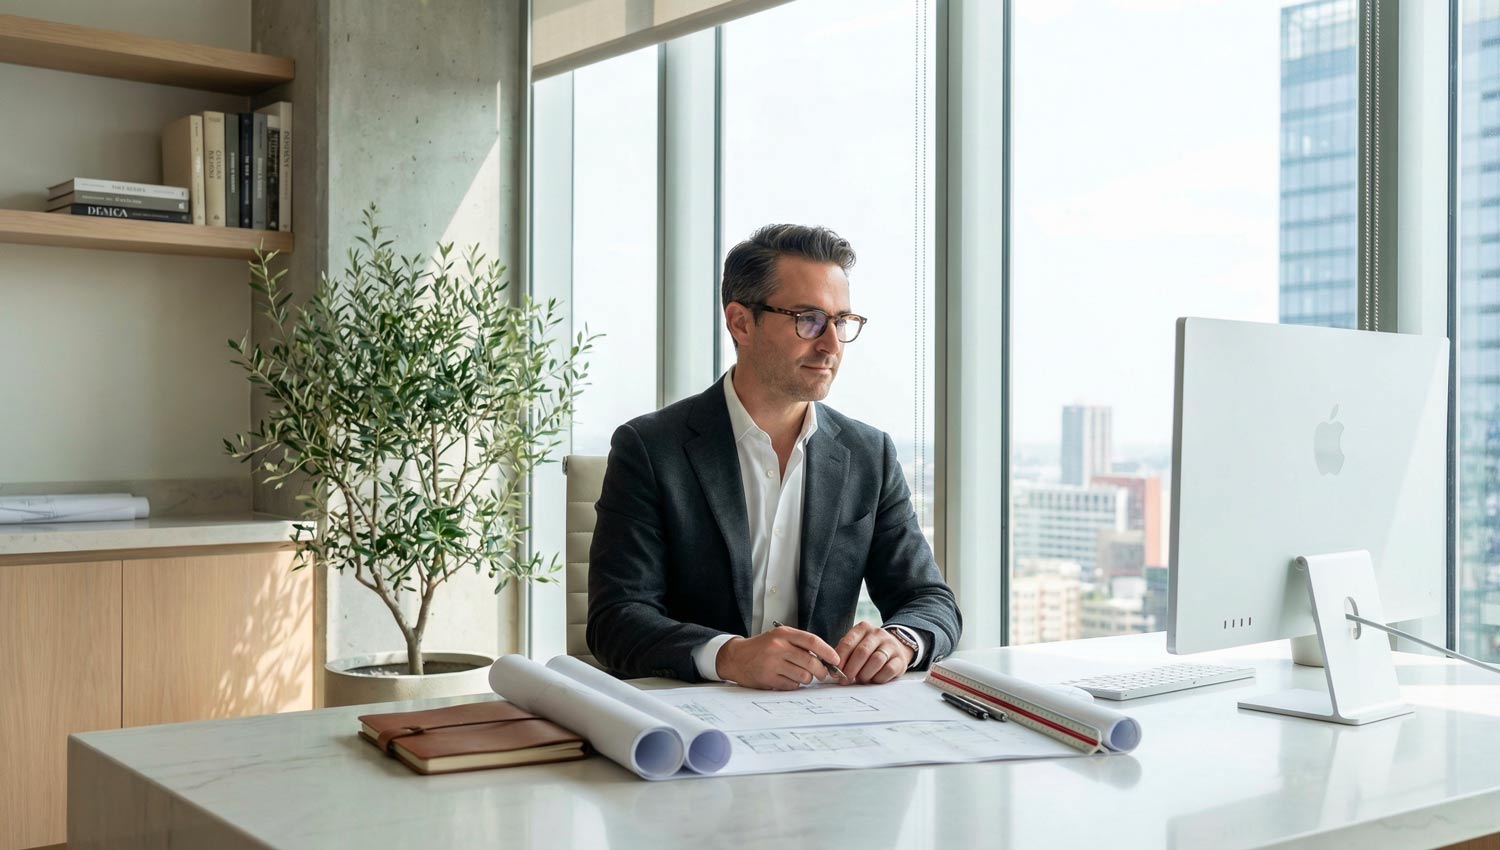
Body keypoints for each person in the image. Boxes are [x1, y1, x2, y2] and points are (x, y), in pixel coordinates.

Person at [586, 223, 962, 690]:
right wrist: (728, 656)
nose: (830, 345)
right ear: (741, 322)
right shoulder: (649, 448)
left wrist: (901, 640)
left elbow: (930, 600)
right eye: (808, 320)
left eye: (841, 322)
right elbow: (614, 621)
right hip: (687, 722)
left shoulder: (870, 454)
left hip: (822, 725)